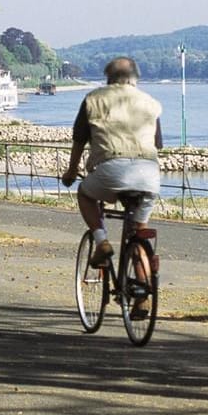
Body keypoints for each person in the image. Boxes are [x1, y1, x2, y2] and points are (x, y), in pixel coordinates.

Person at [60, 57, 163, 289]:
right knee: (139, 229)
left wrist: (71, 171)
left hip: (110, 171)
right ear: (135, 78)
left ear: (108, 78)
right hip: (149, 174)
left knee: (85, 194)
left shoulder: (93, 99)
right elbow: (157, 143)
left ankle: (101, 242)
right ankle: (143, 291)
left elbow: (79, 141)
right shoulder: (150, 103)